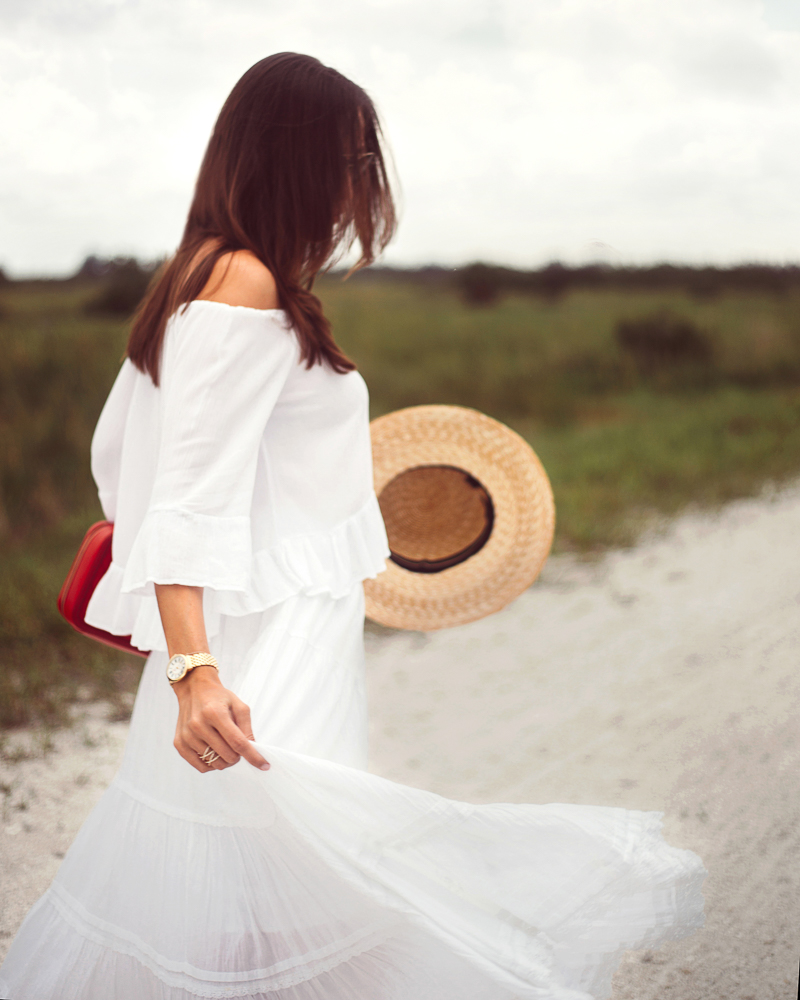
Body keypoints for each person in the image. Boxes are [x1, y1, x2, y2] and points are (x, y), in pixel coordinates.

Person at [0, 52, 705, 1000]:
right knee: (295, 883)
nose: (357, 183)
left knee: (253, 892)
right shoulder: (242, 280)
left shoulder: (199, 272)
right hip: (261, 641)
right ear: (292, 158)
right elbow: (184, 497)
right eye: (349, 158)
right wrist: (195, 672)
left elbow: (120, 456)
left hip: (255, 624)